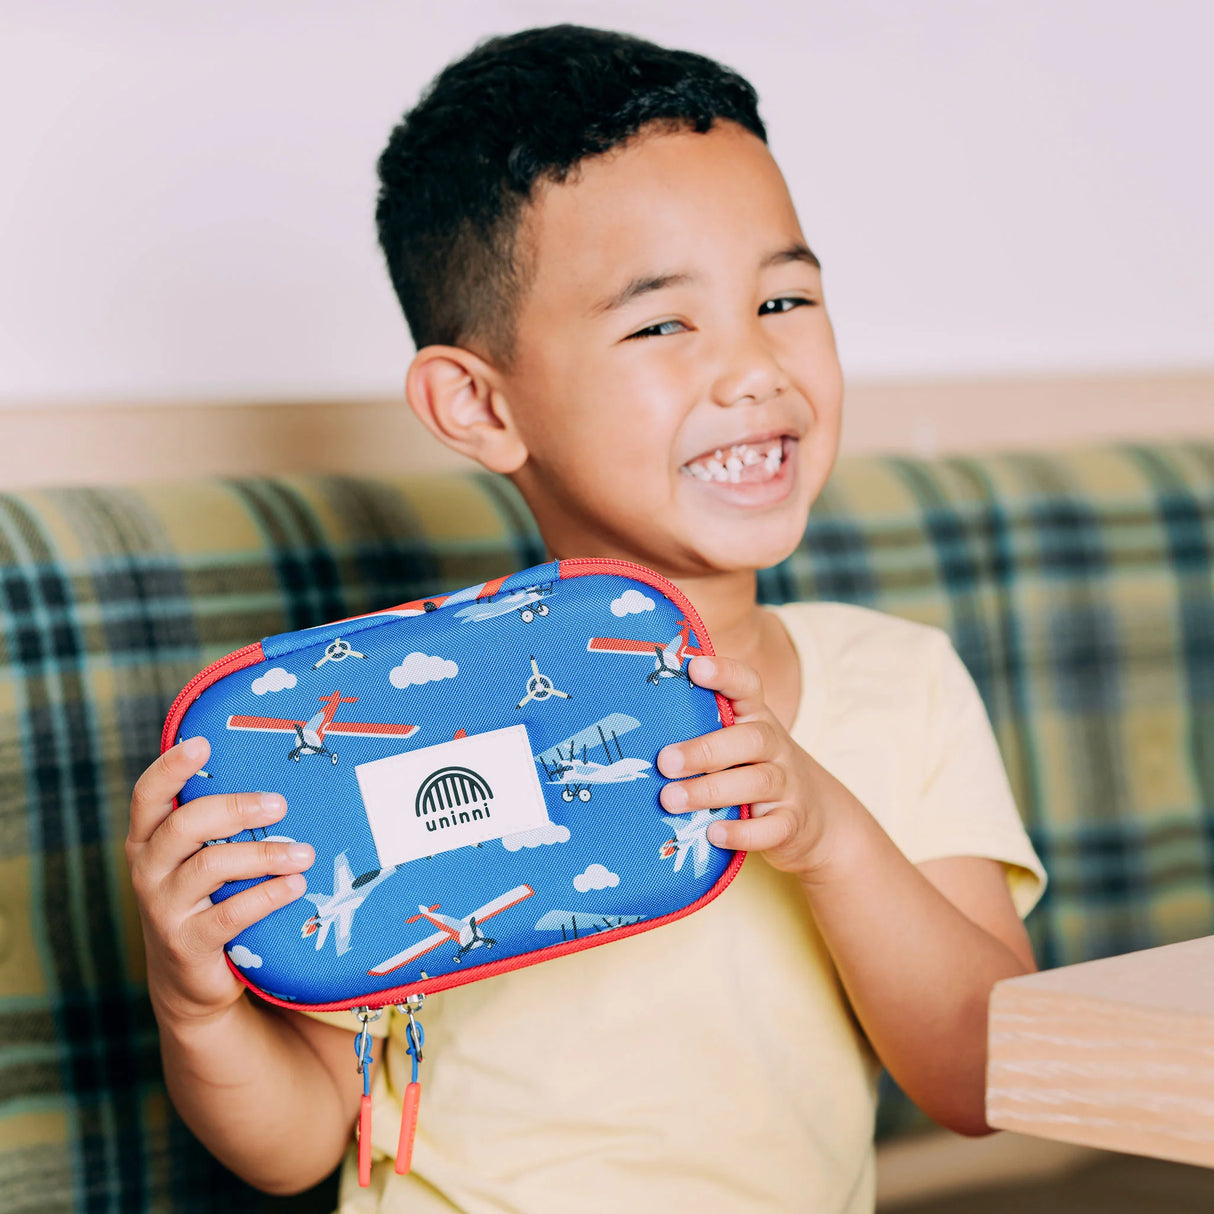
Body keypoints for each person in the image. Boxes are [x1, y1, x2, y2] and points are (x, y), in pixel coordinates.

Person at [125, 24, 1046, 1213]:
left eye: (782, 297)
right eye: (662, 323)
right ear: (479, 403)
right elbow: (300, 1137)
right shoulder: (390, 722)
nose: (752, 367)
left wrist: (828, 835)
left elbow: (986, 1079)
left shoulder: (898, 680)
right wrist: (194, 1003)